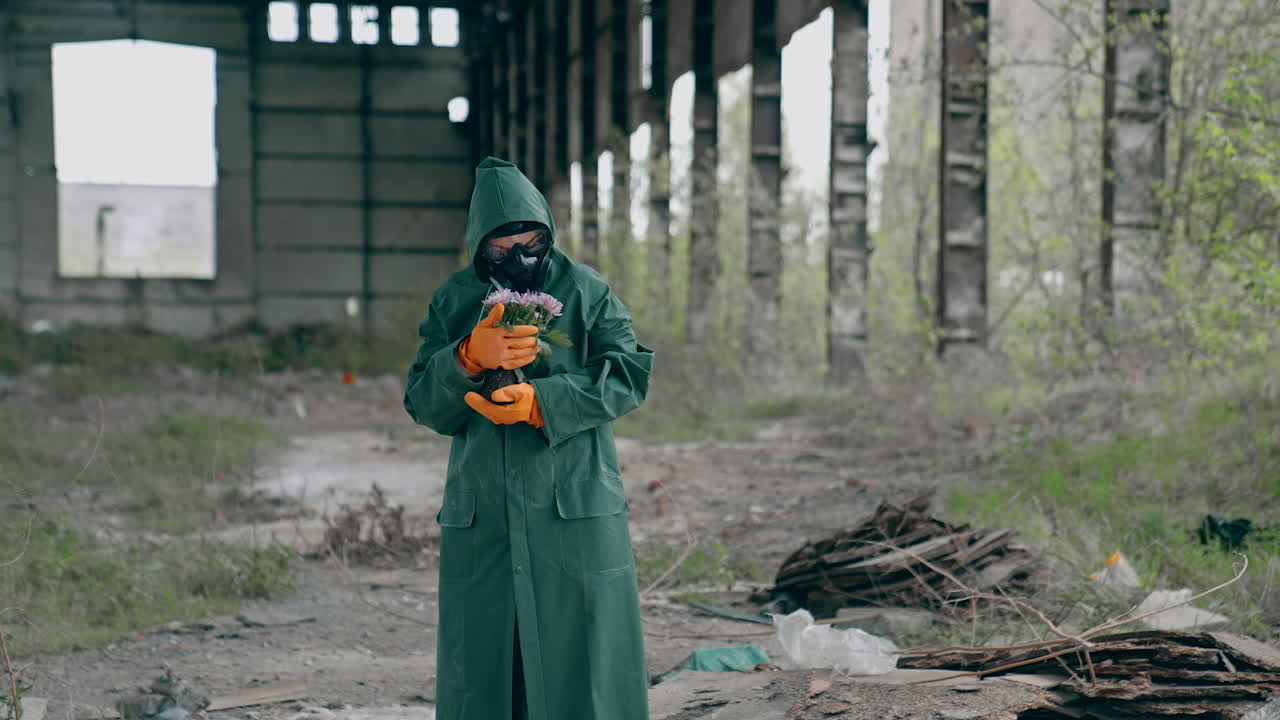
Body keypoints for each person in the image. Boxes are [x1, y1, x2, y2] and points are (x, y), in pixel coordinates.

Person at [403, 157, 654, 720]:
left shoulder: (585, 289)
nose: (519, 256)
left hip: (572, 505)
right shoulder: (454, 300)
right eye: (501, 245)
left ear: (548, 232)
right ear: (479, 245)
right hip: (484, 511)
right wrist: (465, 358)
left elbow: (630, 375)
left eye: (531, 240)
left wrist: (546, 401)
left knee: (584, 665)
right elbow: (422, 400)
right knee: (489, 670)